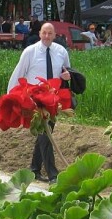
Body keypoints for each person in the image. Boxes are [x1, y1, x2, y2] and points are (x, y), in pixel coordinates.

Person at [7, 22, 71, 183]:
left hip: (52, 99)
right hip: (35, 100)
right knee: (45, 135)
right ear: (40, 33)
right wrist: (10, 97)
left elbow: (68, 71)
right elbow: (18, 73)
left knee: (45, 134)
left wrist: (67, 77)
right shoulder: (30, 52)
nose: (47, 37)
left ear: (55, 35)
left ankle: (34, 169)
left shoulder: (61, 52)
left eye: (50, 33)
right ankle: (53, 175)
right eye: (44, 33)